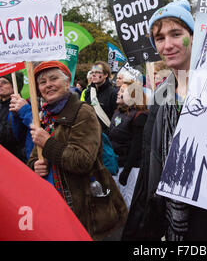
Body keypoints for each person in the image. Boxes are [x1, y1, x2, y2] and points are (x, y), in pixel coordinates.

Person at [122, 0, 207, 241]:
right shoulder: (163, 92)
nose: (168, 44)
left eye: (176, 33)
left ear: (193, 37)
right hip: (169, 216)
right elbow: (151, 160)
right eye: (160, 37)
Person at [27, 61, 127, 240]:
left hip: (89, 212)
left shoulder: (83, 113)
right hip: (56, 209)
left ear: (67, 83)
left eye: (53, 78)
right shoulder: (44, 117)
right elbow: (35, 157)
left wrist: (47, 142)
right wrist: (35, 165)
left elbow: (82, 160)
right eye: (42, 82)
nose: (48, 84)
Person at [109, 80, 148, 209]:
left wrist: (126, 172)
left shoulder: (139, 116)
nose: (118, 93)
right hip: (117, 164)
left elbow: (136, 147)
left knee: (128, 202)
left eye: (122, 91)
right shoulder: (118, 112)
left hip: (130, 168)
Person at [84, 61, 118, 131]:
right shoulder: (88, 92)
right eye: (92, 72)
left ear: (105, 75)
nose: (93, 75)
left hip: (106, 136)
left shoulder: (113, 93)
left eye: (97, 72)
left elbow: (116, 118)